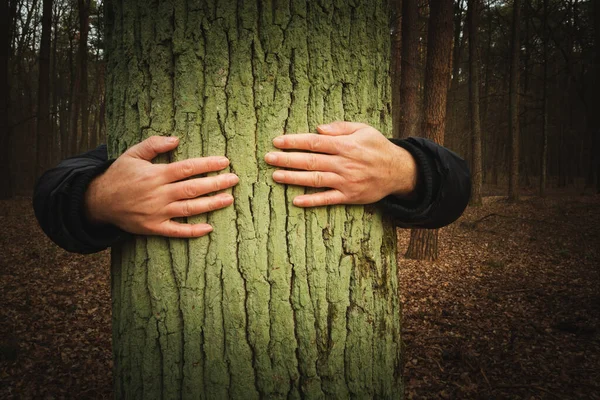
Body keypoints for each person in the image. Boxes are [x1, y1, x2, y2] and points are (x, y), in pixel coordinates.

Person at [33, 121, 471, 254]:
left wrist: (405, 168)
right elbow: (51, 191)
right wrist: (99, 197)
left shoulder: (363, 127)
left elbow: (459, 185)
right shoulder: (137, 134)